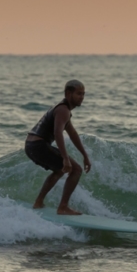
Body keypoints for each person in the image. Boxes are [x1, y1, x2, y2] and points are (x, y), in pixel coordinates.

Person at [24, 79, 91, 215]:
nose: (82, 97)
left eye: (83, 94)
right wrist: (65, 158)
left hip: (31, 145)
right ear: (68, 93)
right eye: (79, 94)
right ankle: (63, 207)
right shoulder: (63, 110)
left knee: (60, 170)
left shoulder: (63, 109)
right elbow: (57, 132)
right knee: (76, 169)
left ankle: (39, 202)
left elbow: (72, 134)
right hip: (38, 145)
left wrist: (85, 155)